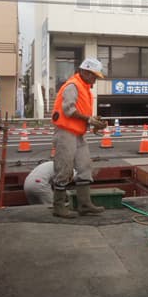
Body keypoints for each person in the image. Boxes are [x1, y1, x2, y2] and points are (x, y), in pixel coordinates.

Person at [51, 58, 108, 218]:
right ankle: (58, 206)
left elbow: (80, 112)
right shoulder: (73, 86)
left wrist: (92, 121)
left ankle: (84, 204)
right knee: (64, 168)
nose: (95, 80)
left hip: (77, 133)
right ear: (85, 72)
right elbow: (69, 110)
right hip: (65, 133)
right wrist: (89, 120)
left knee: (85, 166)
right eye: (94, 76)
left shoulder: (84, 88)